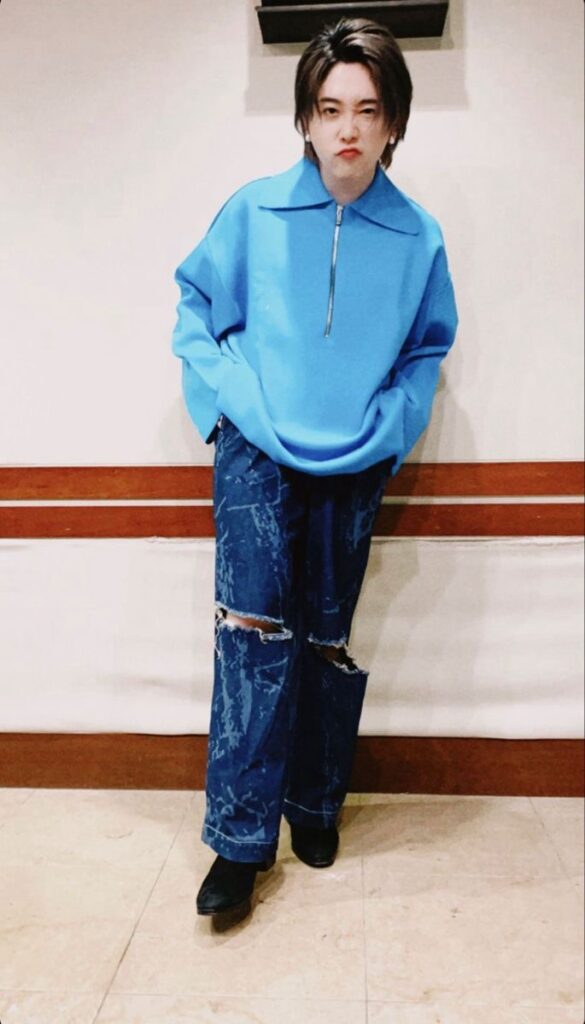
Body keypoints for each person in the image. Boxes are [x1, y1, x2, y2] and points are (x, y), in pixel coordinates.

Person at [171, 17, 458, 917]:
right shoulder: (253, 211)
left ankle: (313, 804)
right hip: (257, 455)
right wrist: (230, 408)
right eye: (329, 109)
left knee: (326, 636)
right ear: (304, 118)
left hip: (355, 457)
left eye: (366, 110)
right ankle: (238, 842)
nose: (347, 129)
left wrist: (391, 424)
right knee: (251, 636)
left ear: (392, 122)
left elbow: (426, 348)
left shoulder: (416, 237)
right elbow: (194, 311)